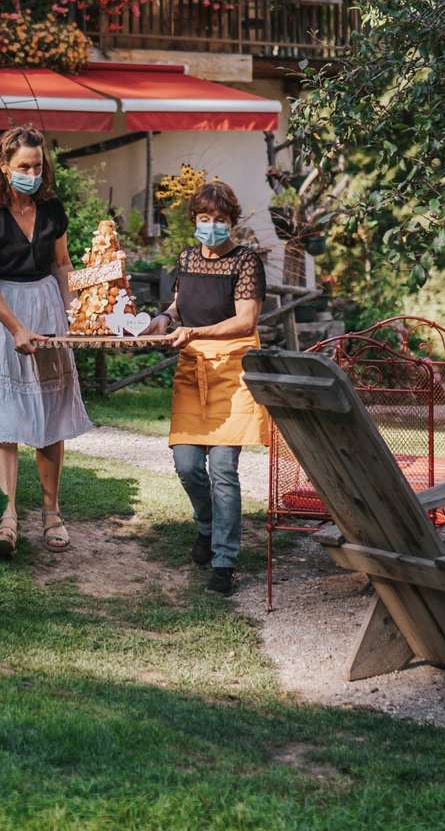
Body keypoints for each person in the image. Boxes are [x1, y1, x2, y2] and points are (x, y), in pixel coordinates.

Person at [0, 125, 91, 559]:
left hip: (46, 305)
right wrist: (16, 327)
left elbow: (62, 265)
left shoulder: (52, 208)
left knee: (50, 412)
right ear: (5, 167)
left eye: (37, 166)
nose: (32, 173)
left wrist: (77, 312)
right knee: (4, 415)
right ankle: (7, 517)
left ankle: (52, 513)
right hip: (0, 311)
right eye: (24, 166)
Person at [146, 180, 265, 595]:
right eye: (203, 218)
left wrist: (196, 330)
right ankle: (207, 524)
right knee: (187, 465)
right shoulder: (186, 257)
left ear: (231, 221)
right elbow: (180, 302)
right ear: (194, 221)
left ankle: (224, 560)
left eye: (218, 219)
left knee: (224, 471)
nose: (210, 226)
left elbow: (245, 321)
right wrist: (165, 317)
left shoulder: (246, 262)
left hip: (232, 374)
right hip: (192, 369)